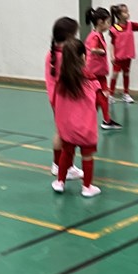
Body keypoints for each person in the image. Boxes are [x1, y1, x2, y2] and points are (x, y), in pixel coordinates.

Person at [52, 38, 101, 197]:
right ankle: (87, 187)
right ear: (83, 57)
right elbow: (99, 101)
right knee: (87, 156)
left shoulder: (61, 81)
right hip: (86, 128)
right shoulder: (90, 79)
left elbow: (57, 103)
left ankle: (60, 182)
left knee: (67, 153)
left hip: (68, 129)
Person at [45, 17, 84, 180]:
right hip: (66, 101)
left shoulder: (51, 54)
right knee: (67, 135)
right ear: (69, 36)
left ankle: (60, 165)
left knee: (61, 132)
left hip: (56, 99)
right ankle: (64, 166)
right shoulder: (67, 56)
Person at [84, 7, 122, 130]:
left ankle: (101, 119)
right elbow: (93, 49)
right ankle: (104, 120)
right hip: (94, 73)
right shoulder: (95, 36)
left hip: (99, 72)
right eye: (108, 22)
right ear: (100, 22)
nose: (109, 25)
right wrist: (101, 51)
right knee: (102, 95)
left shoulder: (98, 35)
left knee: (102, 96)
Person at [109, 3, 138, 103]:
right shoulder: (115, 28)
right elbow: (112, 43)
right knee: (115, 74)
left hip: (127, 56)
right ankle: (110, 95)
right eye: (125, 12)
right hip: (118, 57)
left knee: (126, 74)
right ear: (119, 15)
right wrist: (112, 55)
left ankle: (126, 94)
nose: (127, 13)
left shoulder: (131, 25)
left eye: (127, 11)